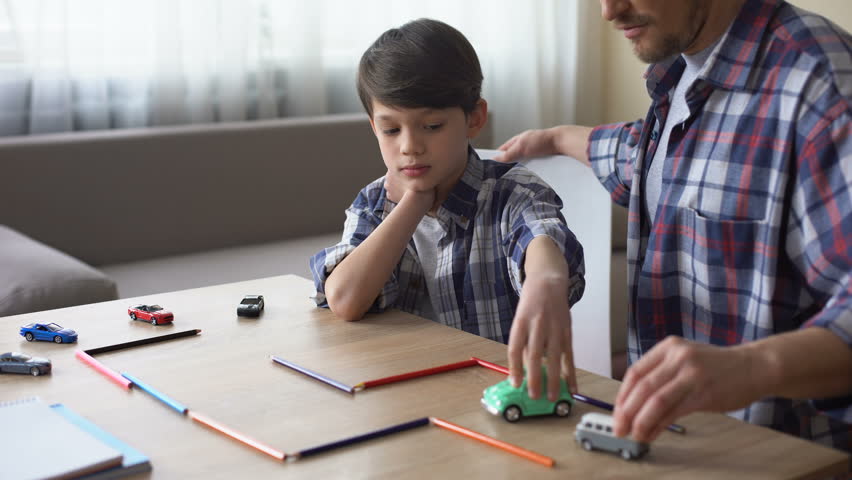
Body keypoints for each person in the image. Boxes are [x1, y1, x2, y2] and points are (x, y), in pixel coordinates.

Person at [496, 0, 852, 455]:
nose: (609, 11)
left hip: (788, 460)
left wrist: (755, 366)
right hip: (676, 450)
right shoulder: (679, 77)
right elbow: (639, 159)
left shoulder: (821, 85)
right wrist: (556, 138)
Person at [310, 18, 586, 401]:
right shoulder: (374, 203)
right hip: (405, 396)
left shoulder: (512, 192)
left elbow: (541, 236)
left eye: (432, 126)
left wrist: (546, 280)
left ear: (475, 118)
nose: (410, 146)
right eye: (391, 130)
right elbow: (345, 300)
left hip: (498, 395)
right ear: (374, 128)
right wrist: (414, 202)